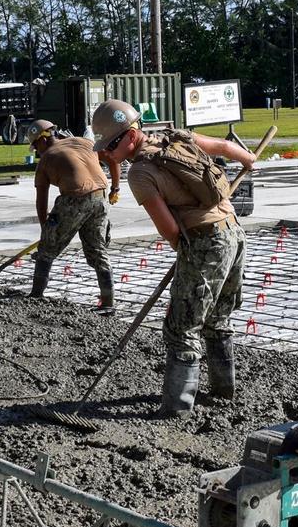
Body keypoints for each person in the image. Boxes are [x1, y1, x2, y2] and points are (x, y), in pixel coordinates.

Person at [92, 99, 255, 417]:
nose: (107, 153)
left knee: (181, 328)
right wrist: (248, 159)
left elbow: (168, 228)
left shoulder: (139, 173)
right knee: (218, 318)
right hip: (234, 233)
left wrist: (189, 256)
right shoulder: (175, 136)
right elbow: (222, 145)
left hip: (207, 243)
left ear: (130, 134)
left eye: (110, 145)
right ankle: (224, 391)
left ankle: (176, 410)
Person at [27, 119, 119, 308]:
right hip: (101, 199)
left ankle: (35, 296)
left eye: (36, 146)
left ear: (43, 141)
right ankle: (108, 303)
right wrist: (115, 189)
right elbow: (113, 158)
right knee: (97, 250)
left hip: (75, 199)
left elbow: (41, 202)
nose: (37, 152)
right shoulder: (84, 142)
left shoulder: (45, 160)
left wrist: (46, 232)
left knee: (46, 251)